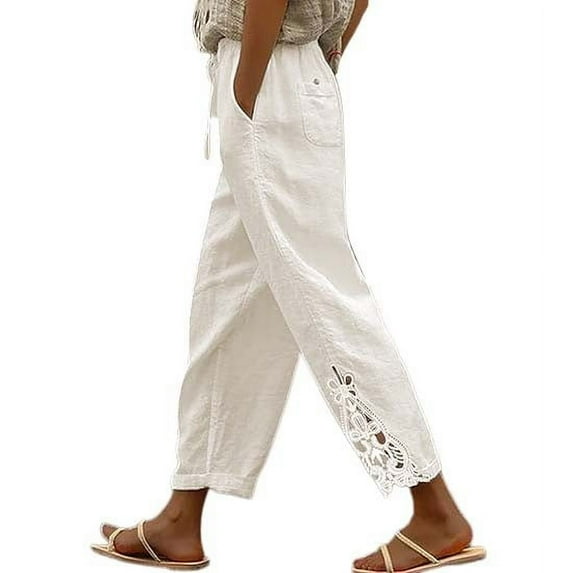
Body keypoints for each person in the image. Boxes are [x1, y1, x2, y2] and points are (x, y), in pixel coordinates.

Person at [91, 1, 486, 571]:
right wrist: (321, 58)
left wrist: (246, 90)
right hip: (285, 80)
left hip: (266, 85)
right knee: (227, 301)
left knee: (326, 304)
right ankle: (181, 517)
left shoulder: (256, 84)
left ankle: (436, 509)